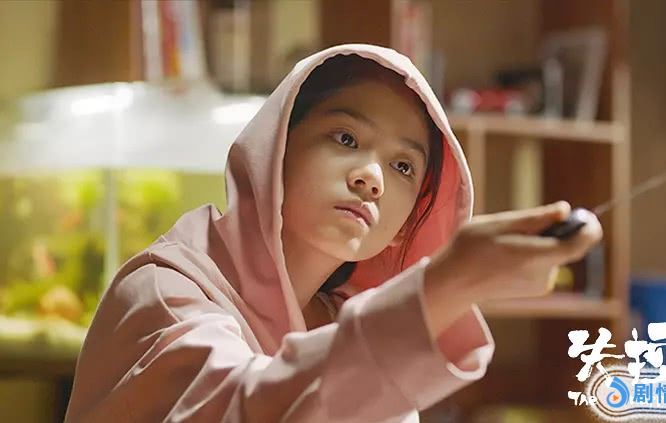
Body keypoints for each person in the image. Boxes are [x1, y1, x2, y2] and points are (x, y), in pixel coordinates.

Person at [65, 44, 602, 422]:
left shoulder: (346, 318)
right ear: (276, 148)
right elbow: (241, 407)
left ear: (404, 228)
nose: (372, 177)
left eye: (403, 167)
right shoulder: (166, 290)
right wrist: (447, 284)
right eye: (346, 138)